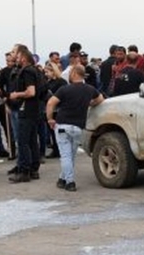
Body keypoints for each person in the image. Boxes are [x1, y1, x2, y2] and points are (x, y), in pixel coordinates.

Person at [46, 65, 104, 192]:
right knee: (71, 155)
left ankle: (70, 182)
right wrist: (90, 104)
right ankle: (62, 179)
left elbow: (51, 103)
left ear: (73, 74)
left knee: (65, 155)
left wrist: (50, 119)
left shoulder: (64, 89)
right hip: (78, 127)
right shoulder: (90, 89)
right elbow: (100, 99)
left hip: (62, 125)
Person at [8, 44, 42, 183]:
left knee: (23, 141)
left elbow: (31, 91)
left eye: (15, 53)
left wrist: (16, 94)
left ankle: (24, 171)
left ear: (22, 56)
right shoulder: (33, 70)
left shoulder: (27, 71)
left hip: (26, 110)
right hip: (33, 110)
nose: (13, 56)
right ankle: (33, 168)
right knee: (32, 141)